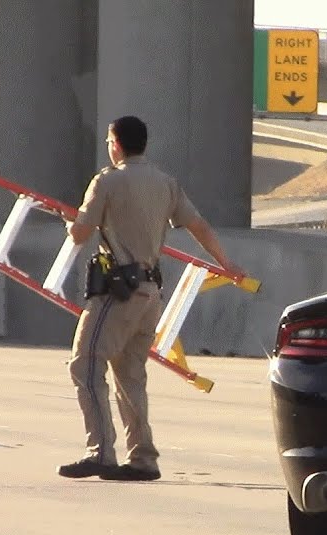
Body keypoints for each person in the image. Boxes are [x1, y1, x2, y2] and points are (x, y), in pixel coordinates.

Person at [58, 115, 241, 481]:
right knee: (130, 376)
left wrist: (69, 219)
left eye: (110, 142)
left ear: (117, 144)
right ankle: (143, 458)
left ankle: (100, 452)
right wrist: (228, 265)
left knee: (86, 364)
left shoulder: (107, 181)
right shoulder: (165, 183)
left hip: (117, 293)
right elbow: (198, 226)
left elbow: (79, 234)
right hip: (150, 294)